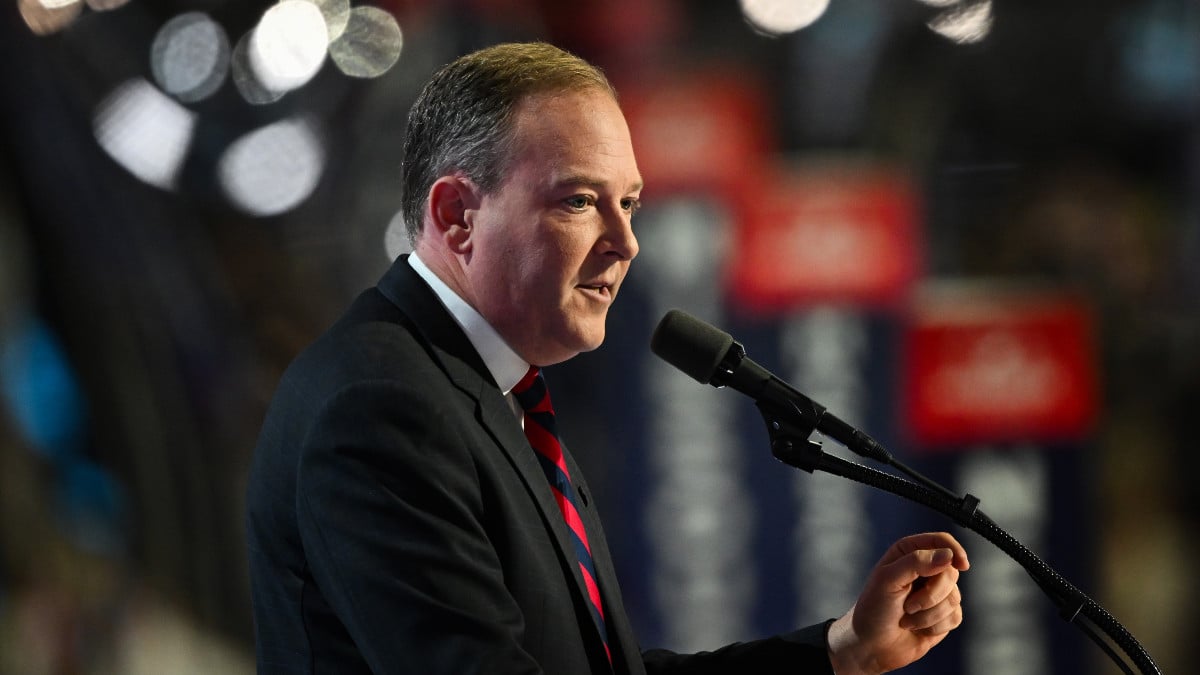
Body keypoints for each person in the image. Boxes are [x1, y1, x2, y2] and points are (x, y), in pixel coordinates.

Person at [245, 41, 969, 675]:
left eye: (632, 204)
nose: (626, 244)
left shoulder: (489, 394)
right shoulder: (382, 407)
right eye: (581, 201)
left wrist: (843, 650)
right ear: (456, 217)